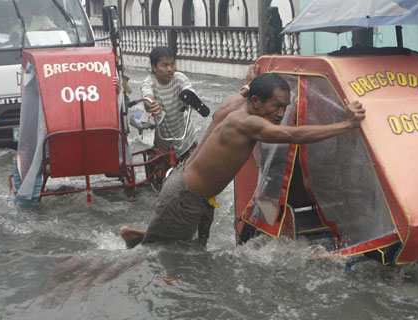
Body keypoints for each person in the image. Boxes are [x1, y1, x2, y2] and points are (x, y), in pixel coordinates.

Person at [120, 69, 365, 248]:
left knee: (198, 247)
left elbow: (244, 93)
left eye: (285, 107)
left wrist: (249, 82)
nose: (281, 113)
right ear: (257, 102)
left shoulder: (235, 102)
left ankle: (138, 236)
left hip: (193, 192)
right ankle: (144, 250)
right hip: (186, 196)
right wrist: (346, 124)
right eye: (277, 106)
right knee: (172, 253)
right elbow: (293, 134)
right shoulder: (248, 123)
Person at [141, 46, 199, 163]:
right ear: (154, 67)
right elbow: (147, 96)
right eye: (164, 65)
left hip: (186, 140)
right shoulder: (149, 82)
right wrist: (151, 105)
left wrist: (191, 98)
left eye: (172, 64)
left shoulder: (179, 78)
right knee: (160, 177)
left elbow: (188, 89)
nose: (170, 69)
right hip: (163, 143)